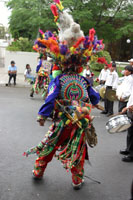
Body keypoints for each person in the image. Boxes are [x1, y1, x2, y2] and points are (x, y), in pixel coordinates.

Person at [23, 0, 105, 190]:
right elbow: (94, 97)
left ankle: (38, 171)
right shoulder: (84, 81)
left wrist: (42, 115)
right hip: (80, 123)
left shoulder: (59, 81)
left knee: (49, 145)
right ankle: (77, 179)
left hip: (63, 122)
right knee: (78, 149)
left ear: (61, 64)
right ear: (80, 65)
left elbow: (51, 97)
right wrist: (89, 103)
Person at [120, 86, 133, 162]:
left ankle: (132, 155)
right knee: (130, 132)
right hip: (130, 110)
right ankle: (129, 149)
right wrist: (127, 107)